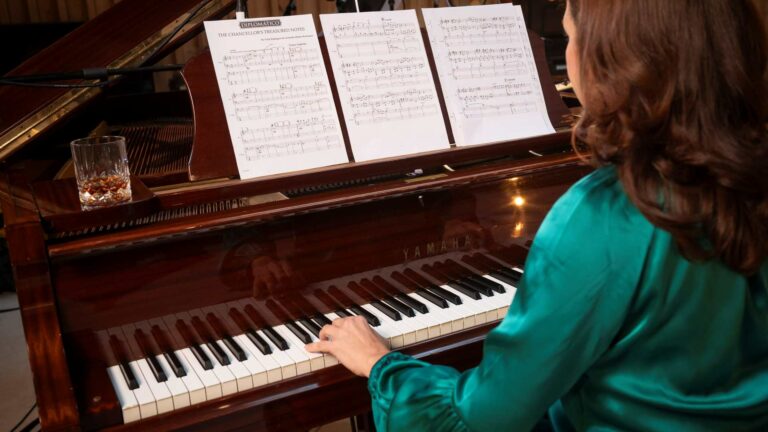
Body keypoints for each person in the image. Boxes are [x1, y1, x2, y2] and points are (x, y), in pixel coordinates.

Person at [306, 0, 768, 430]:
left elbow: (485, 418)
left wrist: (381, 367)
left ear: (616, 62)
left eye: (568, 38)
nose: (567, 60)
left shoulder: (606, 210)